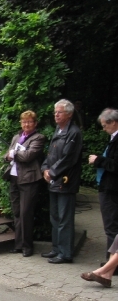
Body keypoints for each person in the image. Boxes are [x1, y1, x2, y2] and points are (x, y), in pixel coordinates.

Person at [41, 99, 83, 264]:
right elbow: (50, 153)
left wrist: (52, 172)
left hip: (66, 181)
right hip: (53, 181)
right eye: (55, 112)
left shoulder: (74, 132)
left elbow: (68, 158)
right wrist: (45, 168)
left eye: (59, 112)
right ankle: (56, 248)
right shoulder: (58, 129)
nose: (56, 115)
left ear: (69, 114)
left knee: (65, 218)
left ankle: (65, 253)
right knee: (55, 217)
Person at [3, 111, 46, 257]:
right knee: (16, 213)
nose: (26, 124)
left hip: (29, 179)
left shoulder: (38, 138)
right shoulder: (17, 137)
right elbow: (7, 153)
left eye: (29, 122)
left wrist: (13, 154)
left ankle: (27, 246)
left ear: (35, 123)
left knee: (26, 213)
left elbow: (28, 156)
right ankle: (18, 244)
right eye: (24, 122)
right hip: (14, 177)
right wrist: (9, 155)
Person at [88, 108, 118, 258]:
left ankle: (111, 264)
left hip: (111, 189)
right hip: (109, 187)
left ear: (113, 122)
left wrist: (98, 160)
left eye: (104, 126)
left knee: (111, 226)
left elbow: (115, 165)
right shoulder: (113, 138)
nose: (103, 129)